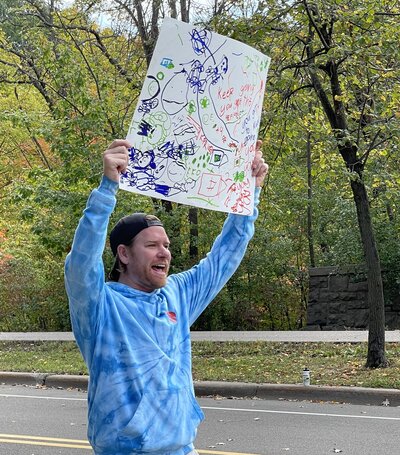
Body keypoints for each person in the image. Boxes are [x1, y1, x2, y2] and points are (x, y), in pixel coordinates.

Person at [64, 138, 268, 455]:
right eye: (152, 246)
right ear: (124, 254)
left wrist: (249, 193)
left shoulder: (177, 294)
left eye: (167, 245)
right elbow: (81, 263)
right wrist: (107, 189)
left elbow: (224, 256)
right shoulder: (101, 306)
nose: (165, 253)